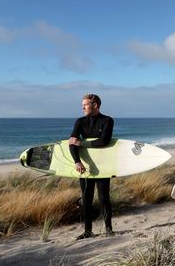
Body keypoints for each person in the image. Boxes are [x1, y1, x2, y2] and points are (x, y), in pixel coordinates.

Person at [69, 93, 115, 239]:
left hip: (102, 166)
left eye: (85, 104)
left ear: (95, 105)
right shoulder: (80, 122)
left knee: (104, 198)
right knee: (86, 199)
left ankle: (108, 229)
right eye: (82, 104)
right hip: (85, 166)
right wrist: (77, 161)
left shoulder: (107, 120)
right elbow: (72, 143)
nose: (82, 107)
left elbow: (104, 141)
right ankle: (87, 231)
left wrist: (82, 143)